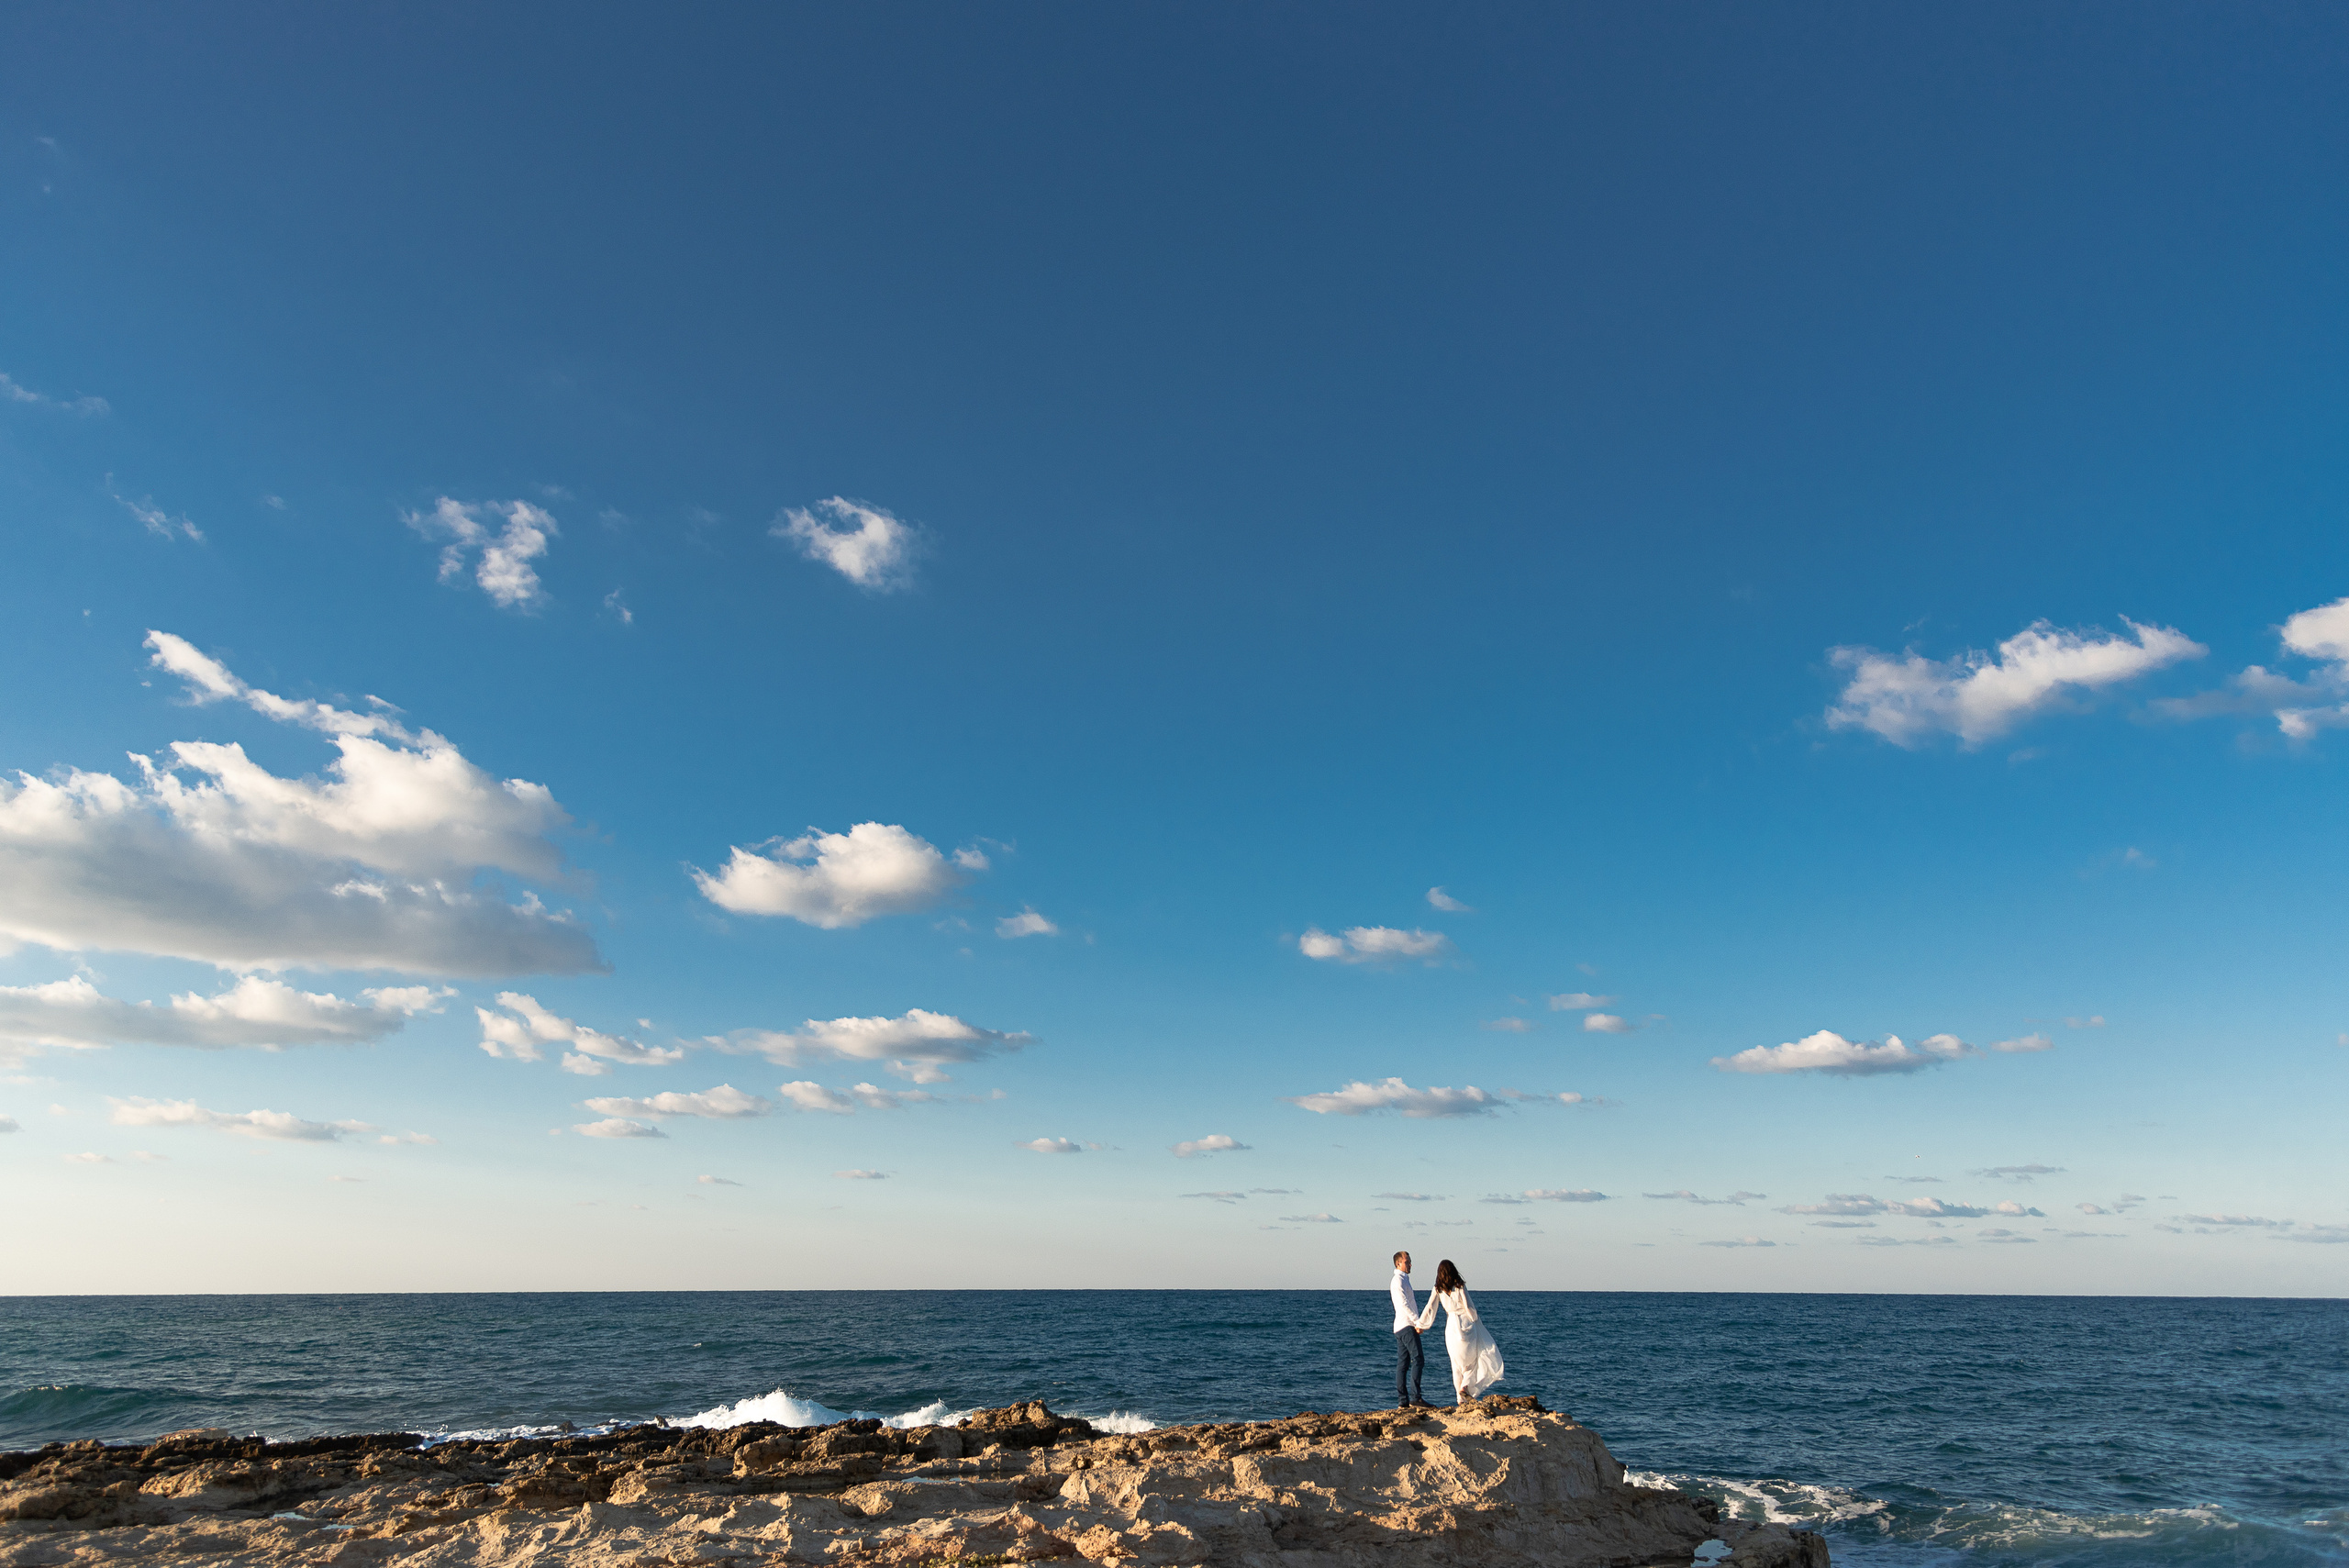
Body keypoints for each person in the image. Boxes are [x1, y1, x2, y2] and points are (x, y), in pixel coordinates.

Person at [1416, 1259, 1504, 1404]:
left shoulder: (1438, 1289)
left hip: (1451, 1327)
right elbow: (1468, 1305)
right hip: (1466, 1324)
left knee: (1455, 1365)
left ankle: (1459, 1398)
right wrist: (1474, 1318)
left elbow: (1430, 1307)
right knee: (1472, 1363)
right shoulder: (1460, 1286)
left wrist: (1421, 1324)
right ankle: (1465, 1386)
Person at [1388, 1250, 1431, 1408]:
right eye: (1407, 1262)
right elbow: (1404, 1304)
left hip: (1402, 1325)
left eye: (1410, 1261)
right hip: (1406, 1325)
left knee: (1403, 1363)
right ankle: (1415, 1398)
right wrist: (1417, 1322)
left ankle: (1403, 1401)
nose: (1410, 1264)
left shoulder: (1403, 1280)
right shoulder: (1398, 1280)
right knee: (1418, 1358)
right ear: (1398, 1263)